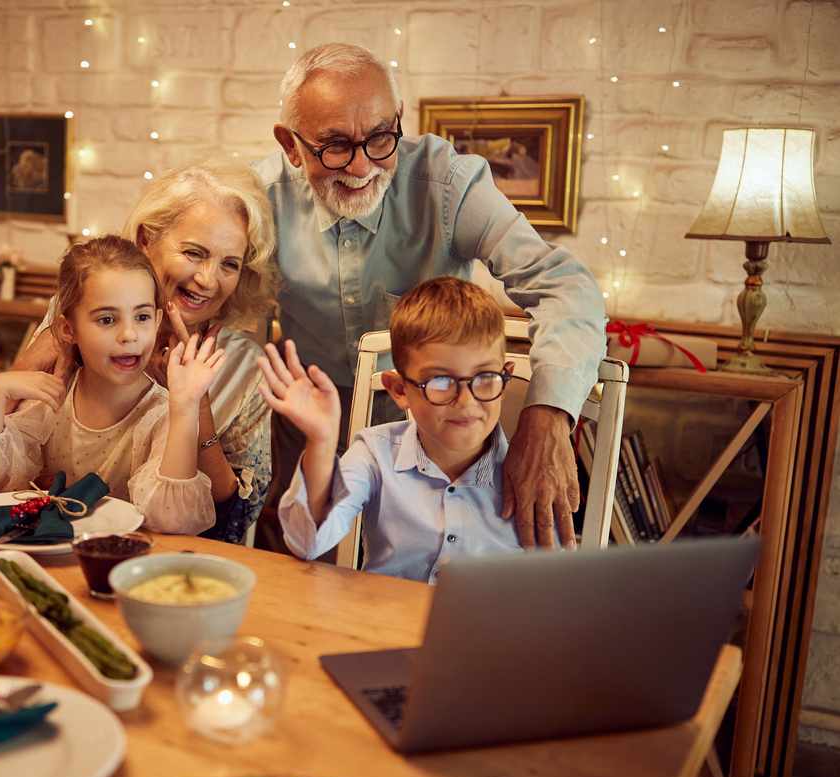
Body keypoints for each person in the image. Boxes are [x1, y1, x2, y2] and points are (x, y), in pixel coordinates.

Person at [250, 43, 607, 551]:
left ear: (398, 119)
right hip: (310, 435)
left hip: (434, 435)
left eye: (379, 138)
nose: (360, 168)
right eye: (334, 146)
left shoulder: (449, 183)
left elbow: (567, 287)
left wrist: (548, 414)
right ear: (290, 145)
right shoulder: (257, 198)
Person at [12, 157, 278, 544]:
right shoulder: (72, 321)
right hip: (56, 544)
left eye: (229, 264)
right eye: (194, 253)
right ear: (145, 240)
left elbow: (235, 521)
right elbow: (10, 447)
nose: (207, 280)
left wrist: (197, 406)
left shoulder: (246, 370)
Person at [261, 277, 553, 581]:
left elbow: (553, 589)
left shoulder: (533, 473)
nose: (466, 401)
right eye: (440, 380)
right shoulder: (375, 454)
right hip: (384, 622)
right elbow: (307, 544)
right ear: (399, 389)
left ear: (504, 378)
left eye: (484, 377)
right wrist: (321, 441)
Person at [0, 235, 226, 535]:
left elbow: (173, 519)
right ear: (68, 329)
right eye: (107, 319)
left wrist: (187, 407)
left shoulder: (163, 416)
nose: (129, 334)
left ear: (159, 320)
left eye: (143, 316)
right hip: (49, 556)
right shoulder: (53, 400)